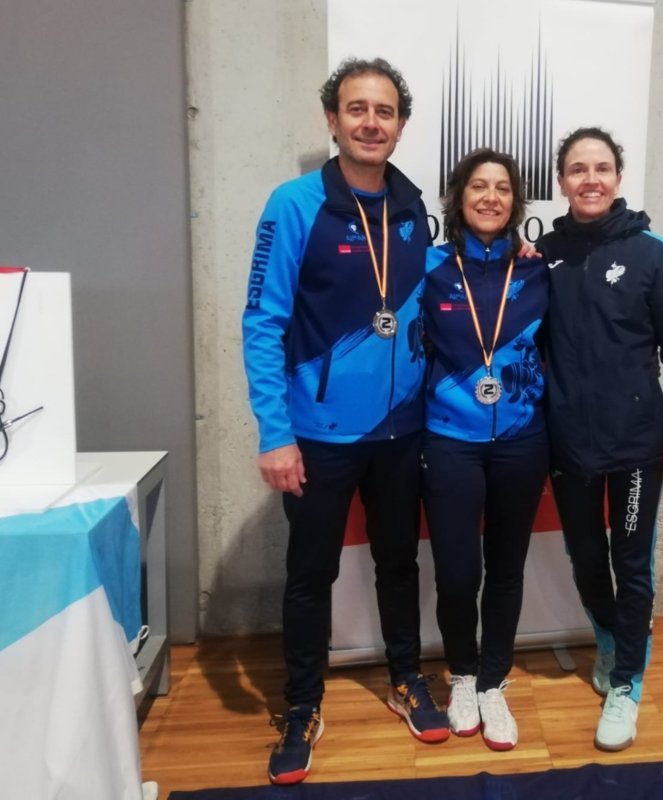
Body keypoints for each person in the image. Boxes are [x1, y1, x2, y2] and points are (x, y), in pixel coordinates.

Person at [241, 57, 449, 786]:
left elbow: (437, 291)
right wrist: (274, 431)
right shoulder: (294, 204)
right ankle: (301, 706)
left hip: (402, 431)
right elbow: (262, 321)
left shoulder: (416, 208)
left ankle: (404, 678)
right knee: (310, 575)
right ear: (332, 120)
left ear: (400, 124)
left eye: (384, 111)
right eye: (356, 109)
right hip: (319, 435)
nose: (370, 122)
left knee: (398, 563)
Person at [537, 127, 663, 752]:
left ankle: (628, 683)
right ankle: (609, 642)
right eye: (577, 169)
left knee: (632, 563)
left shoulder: (654, 253)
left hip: (637, 444)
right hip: (568, 443)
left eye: (601, 168)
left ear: (618, 177)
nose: (590, 180)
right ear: (561, 181)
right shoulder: (544, 255)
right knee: (585, 559)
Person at [420, 148, 549, 751]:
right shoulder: (430, 268)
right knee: (455, 571)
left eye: (502, 188)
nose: (490, 197)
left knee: (506, 567)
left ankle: (494, 680)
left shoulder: (537, 270)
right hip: (449, 440)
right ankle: (463, 676)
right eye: (478, 186)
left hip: (522, 441)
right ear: (458, 197)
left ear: (516, 202)